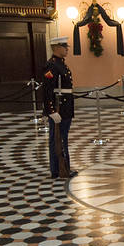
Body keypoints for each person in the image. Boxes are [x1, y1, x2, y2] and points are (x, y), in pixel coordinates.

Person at [42, 36, 77, 178]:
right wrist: (51, 111)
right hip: (59, 109)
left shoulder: (62, 65)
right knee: (57, 138)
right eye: (64, 47)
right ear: (56, 48)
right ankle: (57, 169)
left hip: (65, 108)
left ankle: (64, 167)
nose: (67, 49)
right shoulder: (51, 66)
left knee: (63, 138)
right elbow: (47, 90)